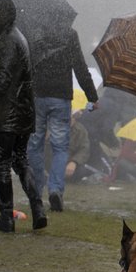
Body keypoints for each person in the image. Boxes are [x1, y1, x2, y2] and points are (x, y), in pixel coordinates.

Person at [0, 0, 47, 232]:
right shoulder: (19, 38)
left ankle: (6, 217)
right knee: (20, 160)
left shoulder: (7, 41)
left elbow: (3, 78)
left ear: (2, 14)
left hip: (7, 114)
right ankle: (38, 210)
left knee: (2, 165)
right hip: (24, 113)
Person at [26, 26, 99, 212]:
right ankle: (55, 189)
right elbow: (80, 67)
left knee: (35, 144)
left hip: (37, 96)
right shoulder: (69, 33)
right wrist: (92, 96)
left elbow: (25, 65)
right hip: (60, 97)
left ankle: (36, 190)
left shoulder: (34, 32)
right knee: (60, 147)